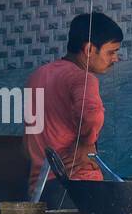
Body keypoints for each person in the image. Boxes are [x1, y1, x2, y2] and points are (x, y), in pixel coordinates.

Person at [24, 12, 123, 194]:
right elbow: (93, 114)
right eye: (111, 52)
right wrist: (87, 142)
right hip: (78, 183)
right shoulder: (82, 78)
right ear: (89, 50)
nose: (115, 58)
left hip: (40, 185)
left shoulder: (37, 76)